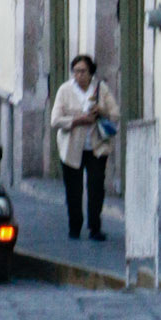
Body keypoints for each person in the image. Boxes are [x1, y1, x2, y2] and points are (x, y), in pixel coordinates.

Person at [51, 53, 119, 242]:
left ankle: (95, 227)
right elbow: (55, 120)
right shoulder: (65, 90)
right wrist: (78, 120)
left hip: (96, 147)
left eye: (83, 71)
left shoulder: (101, 89)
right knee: (73, 190)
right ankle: (75, 225)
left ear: (91, 73)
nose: (79, 75)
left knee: (96, 187)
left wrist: (102, 111)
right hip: (71, 148)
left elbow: (115, 114)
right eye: (76, 71)